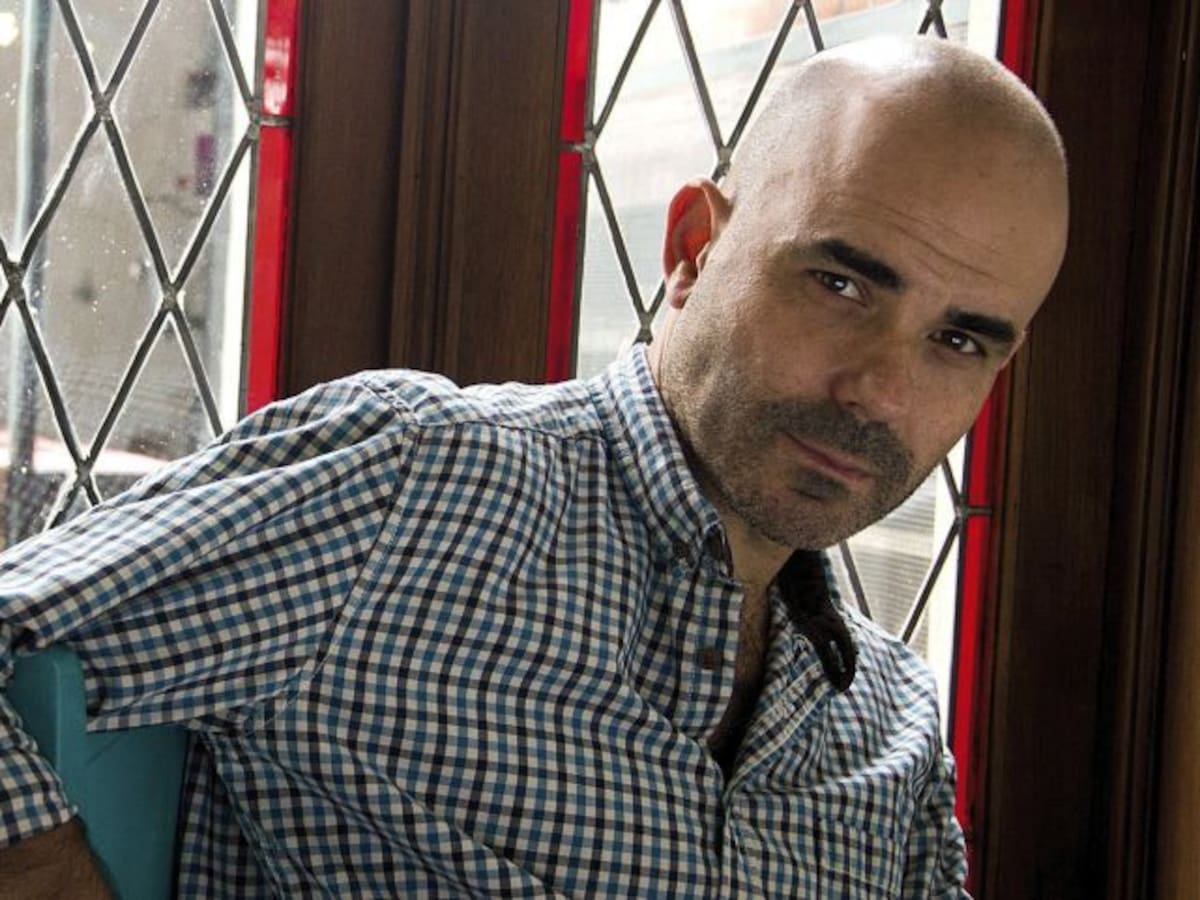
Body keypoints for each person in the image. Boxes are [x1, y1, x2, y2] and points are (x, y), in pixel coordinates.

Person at [0, 35, 1068, 899]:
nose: (880, 390)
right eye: (841, 284)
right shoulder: (415, 489)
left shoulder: (894, 730)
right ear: (693, 248)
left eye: (958, 341)